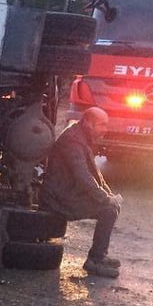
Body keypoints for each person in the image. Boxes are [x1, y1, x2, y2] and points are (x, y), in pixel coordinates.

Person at [39, 107, 123, 278]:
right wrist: (105, 198)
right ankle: (94, 261)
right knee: (108, 211)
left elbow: (94, 174)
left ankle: (99, 256)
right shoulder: (72, 140)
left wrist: (108, 194)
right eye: (101, 125)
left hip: (66, 193)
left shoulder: (80, 137)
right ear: (88, 123)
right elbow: (82, 175)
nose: (105, 130)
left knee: (111, 207)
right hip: (58, 199)